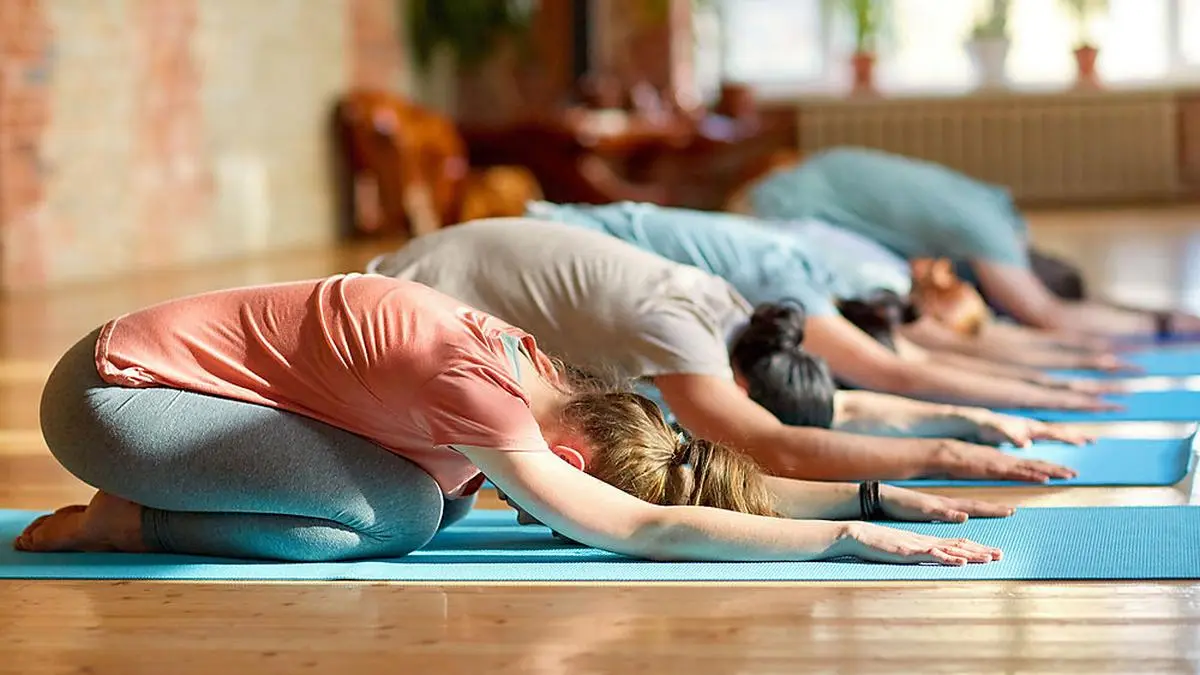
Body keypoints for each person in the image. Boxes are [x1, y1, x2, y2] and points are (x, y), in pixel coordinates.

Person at [16, 274, 1006, 567]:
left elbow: (670, 482)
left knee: (434, 505)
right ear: (571, 455)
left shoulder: (530, 368)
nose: (545, 510)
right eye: (557, 492)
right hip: (114, 401)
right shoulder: (480, 388)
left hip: (182, 398)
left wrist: (866, 490)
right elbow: (642, 522)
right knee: (404, 518)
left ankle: (145, 504)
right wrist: (837, 535)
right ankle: (123, 520)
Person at [368, 219, 1082, 484]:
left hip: (456, 301)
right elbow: (781, 448)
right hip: (398, 310)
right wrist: (944, 458)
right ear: (740, 385)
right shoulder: (681, 329)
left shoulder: (740, 322)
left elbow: (836, 404)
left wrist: (967, 417)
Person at [521, 201, 1121, 406]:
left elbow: (919, 346)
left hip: (560, 242)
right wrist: (1045, 392)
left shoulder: (864, 275)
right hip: (543, 249)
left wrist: (1055, 364)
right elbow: (896, 368)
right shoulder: (798, 280)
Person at [739, 146, 1200, 340]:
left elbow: (1055, 299)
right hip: (774, 213)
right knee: (885, 293)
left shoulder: (997, 210)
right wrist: (1162, 325)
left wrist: (1142, 309)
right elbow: (1046, 313)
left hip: (790, 178)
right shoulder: (990, 237)